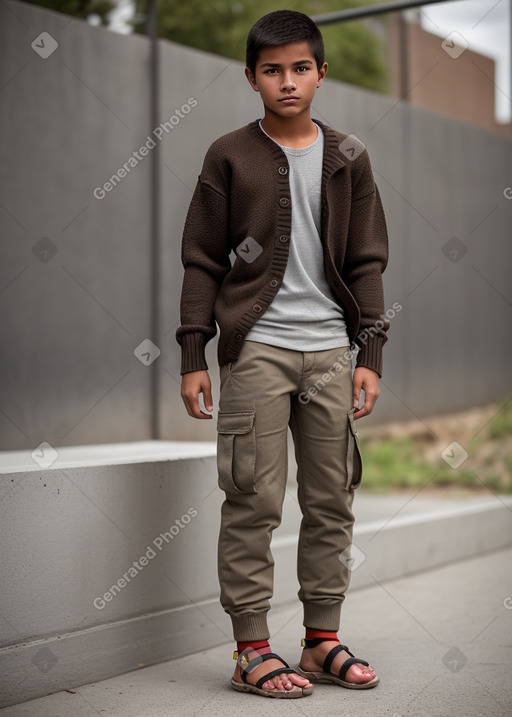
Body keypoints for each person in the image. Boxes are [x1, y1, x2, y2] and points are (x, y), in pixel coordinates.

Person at [177, 9, 389, 700]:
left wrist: (370, 352)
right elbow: (203, 261)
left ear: (321, 73)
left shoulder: (349, 157)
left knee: (332, 498)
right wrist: (192, 353)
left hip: (331, 348)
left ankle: (322, 639)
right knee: (252, 498)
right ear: (251, 77)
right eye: (272, 70)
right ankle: (251, 649)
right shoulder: (228, 154)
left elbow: (366, 261)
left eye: (301, 68)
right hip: (256, 348)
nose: (287, 81)